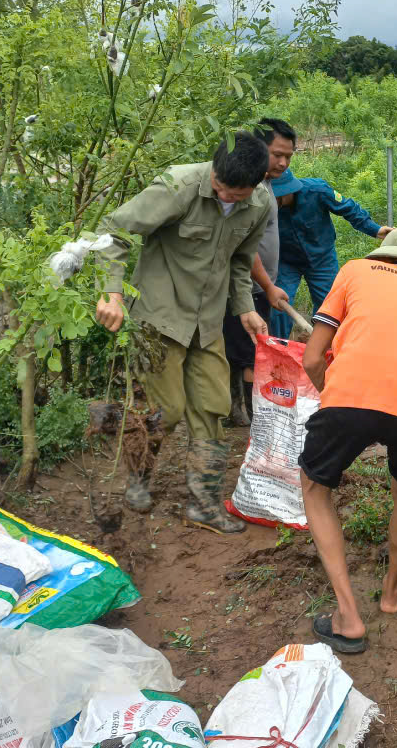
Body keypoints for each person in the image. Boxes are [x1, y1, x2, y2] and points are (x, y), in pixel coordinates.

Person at [95, 133, 272, 534]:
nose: (223, 193)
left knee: (213, 407)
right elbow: (114, 229)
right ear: (213, 169)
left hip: (208, 323)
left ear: (257, 183)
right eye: (219, 184)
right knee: (165, 410)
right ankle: (139, 478)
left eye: (235, 192)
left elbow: (241, 263)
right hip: (160, 316)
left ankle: (204, 504)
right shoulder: (177, 186)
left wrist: (244, 308)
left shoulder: (259, 205)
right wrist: (111, 291)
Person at [298, 227, 397, 653]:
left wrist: (338, 400)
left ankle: (347, 616)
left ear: (385, 255)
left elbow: (313, 358)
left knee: (315, 487)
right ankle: (391, 595)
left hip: (347, 398)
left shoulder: (354, 270)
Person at [221, 118, 295, 424]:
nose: (283, 162)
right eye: (277, 154)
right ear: (257, 147)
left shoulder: (264, 184)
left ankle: (236, 411)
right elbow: (243, 247)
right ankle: (251, 418)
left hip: (256, 286)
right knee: (250, 351)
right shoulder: (248, 187)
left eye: (289, 156)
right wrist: (267, 286)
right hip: (245, 288)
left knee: (240, 348)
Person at [270, 168, 392, 337]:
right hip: (287, 261)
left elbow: (348, 208)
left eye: (278, 195)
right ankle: (278, 350)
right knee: (279, 306)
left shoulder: (317, 191)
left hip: (322, 260)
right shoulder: (267, 204)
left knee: (329, 309)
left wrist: (375, 230)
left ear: (290, 189)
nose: (275, 200)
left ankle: (325, 351)